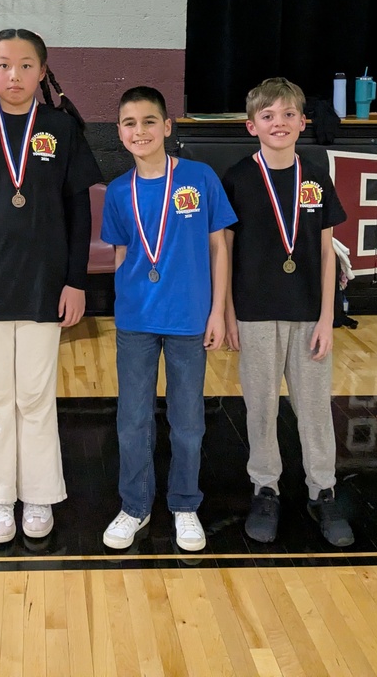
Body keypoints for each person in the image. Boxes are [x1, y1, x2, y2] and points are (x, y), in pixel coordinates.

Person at [0, 28, 102, 543]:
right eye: (4, 65)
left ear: (43, 71)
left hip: (44, 285)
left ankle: (38, 495)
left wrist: (76, 281)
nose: (15, 75)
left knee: (34, 396)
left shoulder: (61, 127)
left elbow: (80, 212)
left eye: (27, 65)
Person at [100, 86, 236, 551]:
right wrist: (127, 301)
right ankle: (134, 506)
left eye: (149, 121)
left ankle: (184, 504)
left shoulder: (198, 178)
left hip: (190, 320)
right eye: (130, 123)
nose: (141, 131)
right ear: (120, 132)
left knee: (188, 420)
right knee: (132, 419)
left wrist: (217, 311)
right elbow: (121, 254)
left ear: (167, 126)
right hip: (136, 320)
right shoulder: (119, 191)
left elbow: (219, 246)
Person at [222, 76, 354, 547]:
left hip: (306, 315)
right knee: (259, 405)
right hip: (255, 314)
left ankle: (323, 489)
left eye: (287, 115)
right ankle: (266, 487)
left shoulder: (315, 175)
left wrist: (327, 317)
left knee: (314, 407)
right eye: (268, 115)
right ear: (251, 125)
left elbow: (324, 252)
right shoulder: (237, 177)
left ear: (303, 121)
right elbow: (227, 252)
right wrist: (228, 312)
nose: (279, 123)